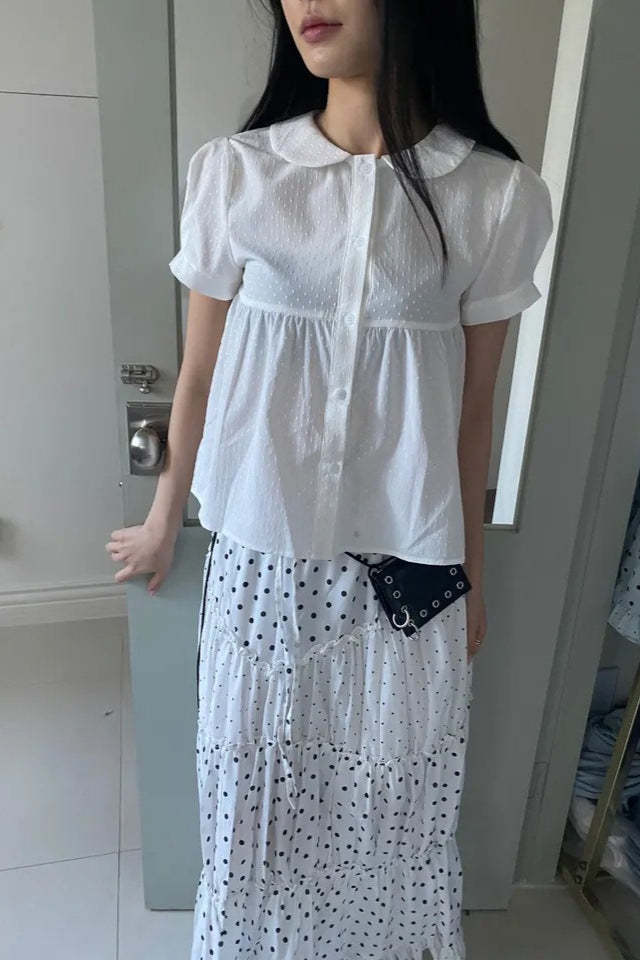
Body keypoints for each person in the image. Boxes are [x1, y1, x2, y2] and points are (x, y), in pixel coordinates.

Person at [106, 1, 554, 957]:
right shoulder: (239, 174)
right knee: (255, 806)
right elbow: (197, 375)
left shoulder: (495, 195)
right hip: (264, 566)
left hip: (409, 562)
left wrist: (471, 575)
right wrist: (163, 516)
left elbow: (474, 409)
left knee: (389, 806)